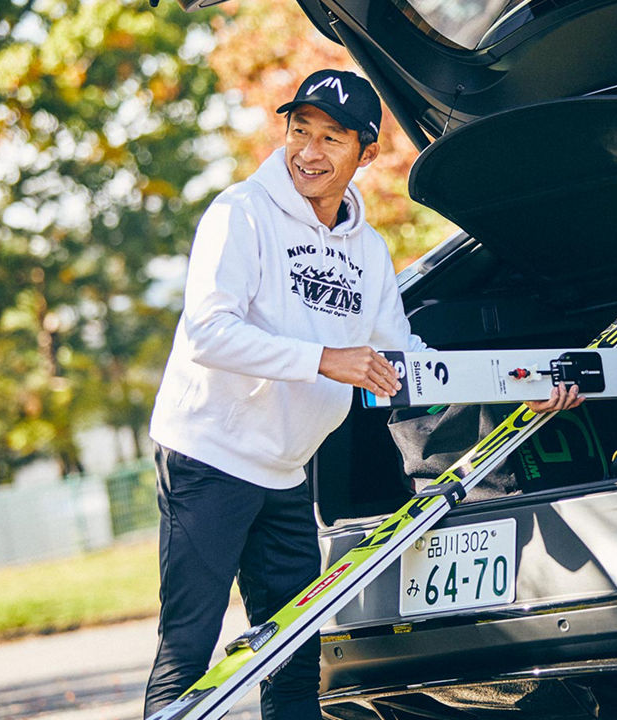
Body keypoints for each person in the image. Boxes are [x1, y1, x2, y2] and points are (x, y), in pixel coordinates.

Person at [143, 69, 581, 720]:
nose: (310, 152)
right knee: (190, 649)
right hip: (209, 459)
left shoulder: (367, 251)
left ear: (366, 153)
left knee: (294, 655)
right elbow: (208, 333)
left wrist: (521, 389)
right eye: (300, 132)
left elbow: (401, 360)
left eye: (332, 139)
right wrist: (324, 359)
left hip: (287, 472)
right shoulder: (240, 215)